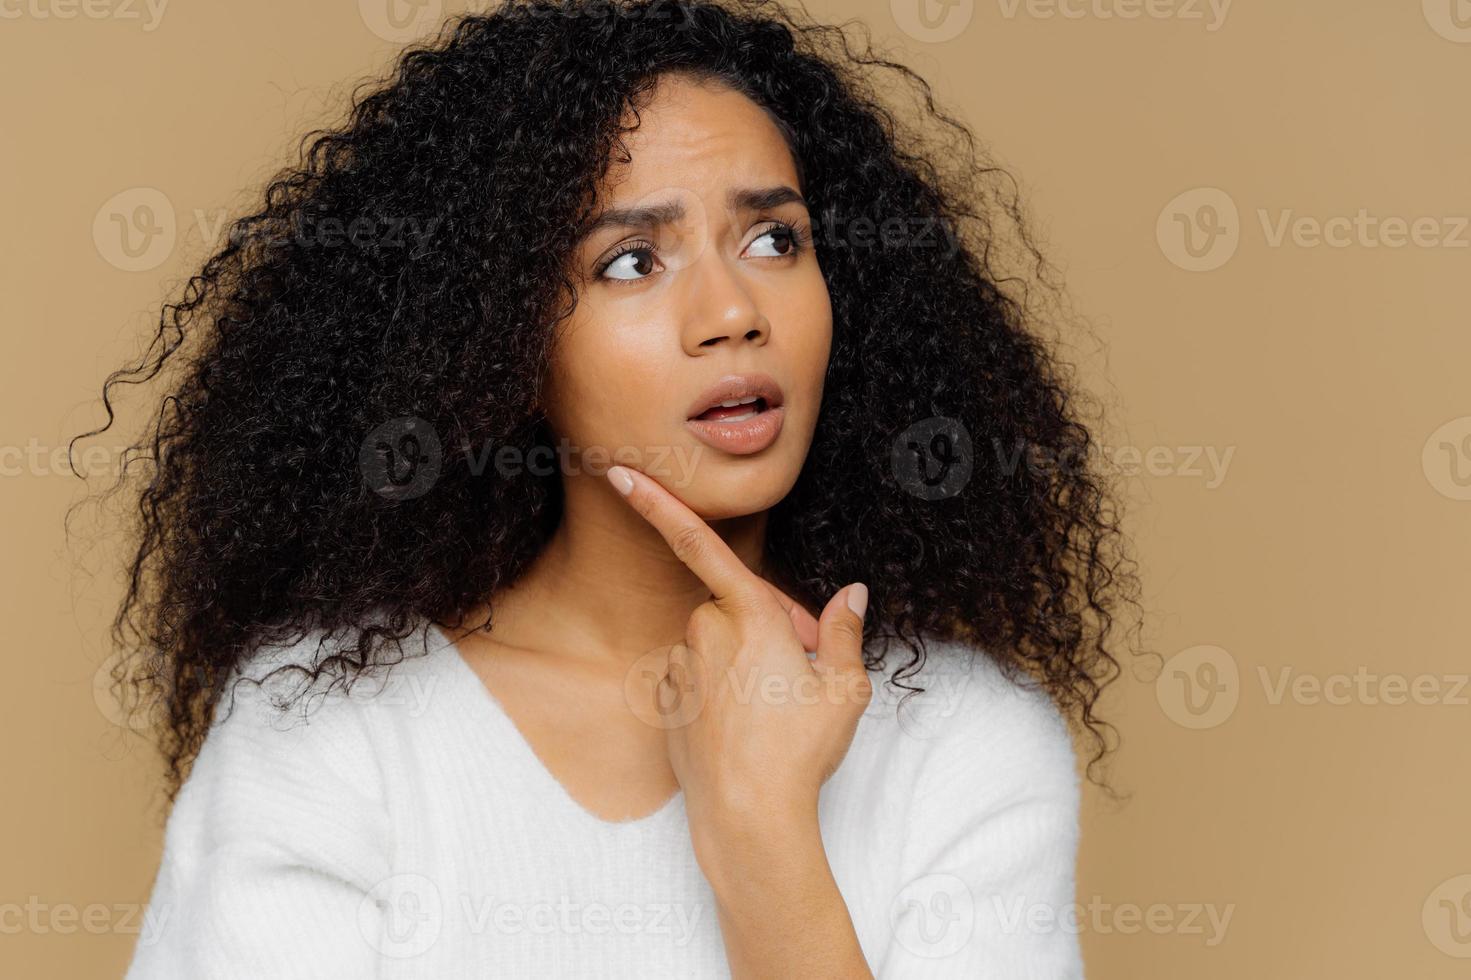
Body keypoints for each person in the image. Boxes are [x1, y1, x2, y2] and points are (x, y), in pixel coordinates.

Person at [79, 1, 1140, 975]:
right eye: (631, 261)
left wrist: (762, 839)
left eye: (775, 238)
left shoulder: (964, 743)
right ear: (499, 341)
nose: (732, 311)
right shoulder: (332, 730)